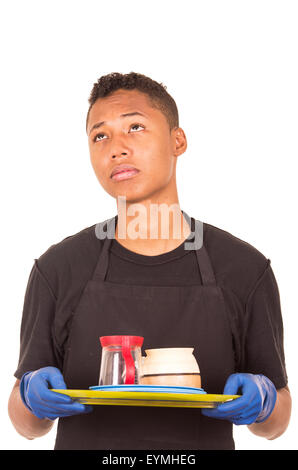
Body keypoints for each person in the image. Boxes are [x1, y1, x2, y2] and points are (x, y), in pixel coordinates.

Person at [8, 72, 291, 450]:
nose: (116, 148)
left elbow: (276, 425)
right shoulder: (58, 269)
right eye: (100, 135)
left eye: (135, 126)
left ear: (178, 140)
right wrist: (29, 395)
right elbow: (27, 427)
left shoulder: (243, 269)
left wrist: (265, 402)